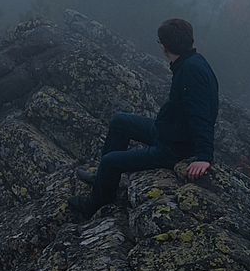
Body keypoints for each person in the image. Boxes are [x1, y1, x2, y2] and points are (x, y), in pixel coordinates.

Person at [66, 18, 218, 219]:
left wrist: (204, 156)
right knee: (119, 121)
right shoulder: (192, 61)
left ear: (164, 48)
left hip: (173, 148)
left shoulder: (191, 70)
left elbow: (200, 114)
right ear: (190, 40)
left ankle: (98, 202)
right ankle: (102, 178)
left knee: (111, 161)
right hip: (167, 132)